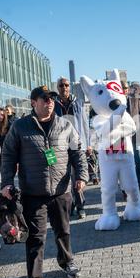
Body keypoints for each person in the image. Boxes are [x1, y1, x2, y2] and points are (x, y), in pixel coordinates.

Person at [1, 85, 89, 278]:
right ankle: (34, 277)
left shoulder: (65, 125)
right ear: (34, 103)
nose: (50, 102)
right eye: (45, 99)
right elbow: (8, 156)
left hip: (61, 190)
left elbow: (77, 153)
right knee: (36, 237)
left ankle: (67, 261)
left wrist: (81, 176)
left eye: (51, 99)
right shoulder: (20, 127)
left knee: (63, 231)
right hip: (33, 191)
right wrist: (6, 182)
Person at [55, 77, 90, 218]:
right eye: (61, 85)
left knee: (78, 176)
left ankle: (81, 206)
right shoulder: (53, 104)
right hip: (59, 145)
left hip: (77, 144)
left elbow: (85, 123)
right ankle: (70, 204)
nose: (64, 87)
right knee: (63, 177)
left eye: (66, 85)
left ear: (69, 87)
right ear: (57, 88)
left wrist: (89, 144)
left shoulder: (78, 103)